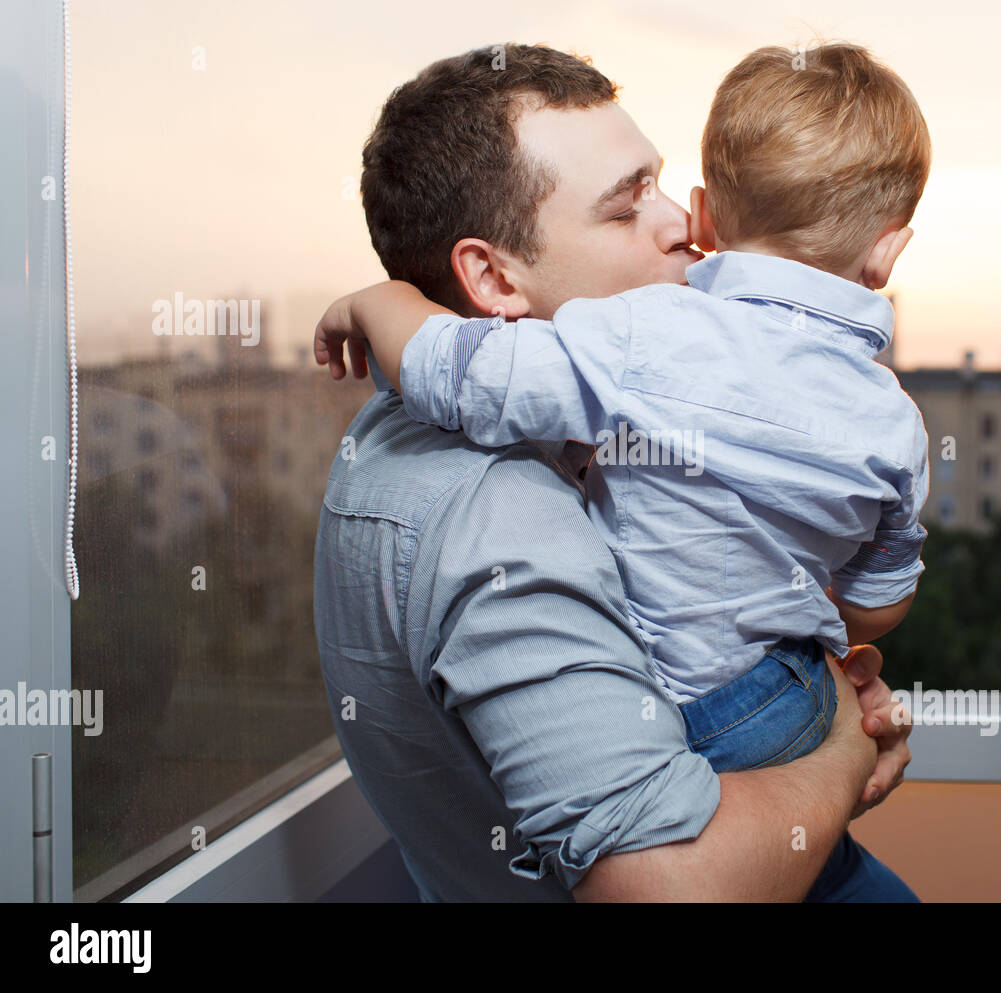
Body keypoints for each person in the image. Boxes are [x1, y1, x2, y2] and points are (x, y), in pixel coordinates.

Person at [314, 42, 916, 902]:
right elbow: (668, 890)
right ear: (491, 277)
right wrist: (844, 746)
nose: (683, 223)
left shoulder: (537, 434)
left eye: (660, 183)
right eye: (626, 205)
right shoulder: (499, 521)